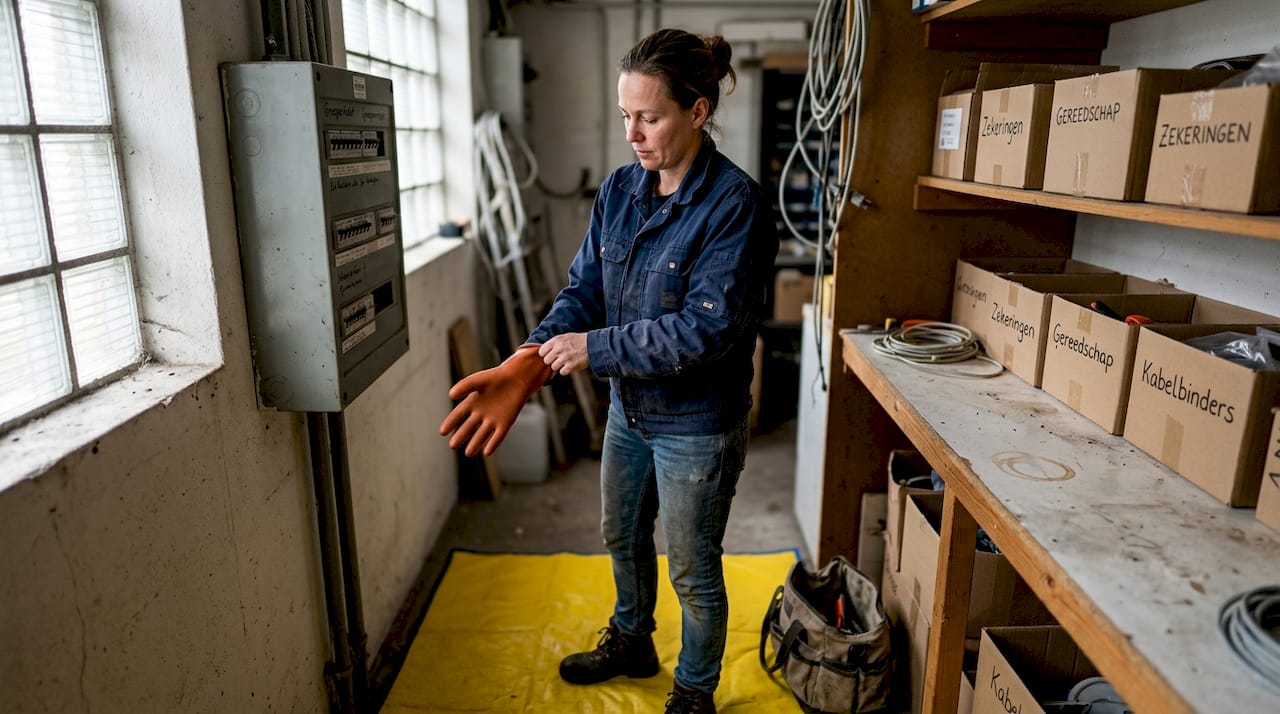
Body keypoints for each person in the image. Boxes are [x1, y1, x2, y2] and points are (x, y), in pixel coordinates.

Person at [440, 28, 778, 714]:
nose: (634, 134)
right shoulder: (622, 191)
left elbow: (707, 330)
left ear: (698, 111)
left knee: (691, 568)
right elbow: (583, 292)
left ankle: (694, 690)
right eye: (626, 116)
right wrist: (528, 362)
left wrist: (595, 350)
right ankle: (632, 641)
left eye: (650, 117)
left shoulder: (735, 207)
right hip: (631, 413)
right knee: (621, 536)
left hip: (696, 425)